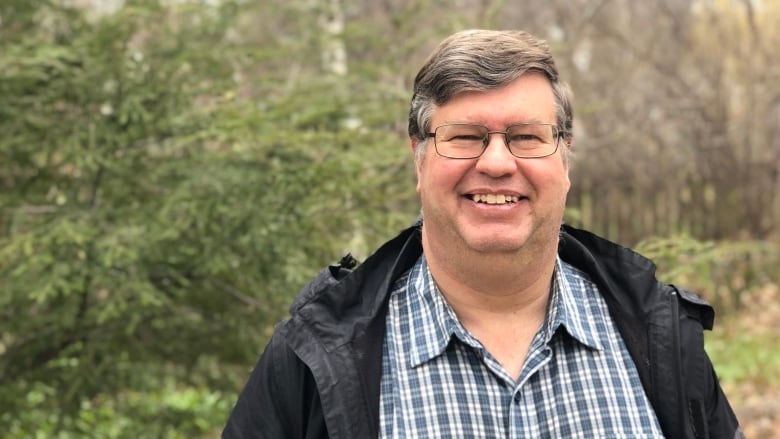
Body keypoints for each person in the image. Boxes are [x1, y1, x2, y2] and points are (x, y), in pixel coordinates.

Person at [223, 29, 743, 439]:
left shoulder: (660, 336)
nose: (497, 163)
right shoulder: (318, 353)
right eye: (465, 137)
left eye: (526, 137)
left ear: (565, 157)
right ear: (418, 157)